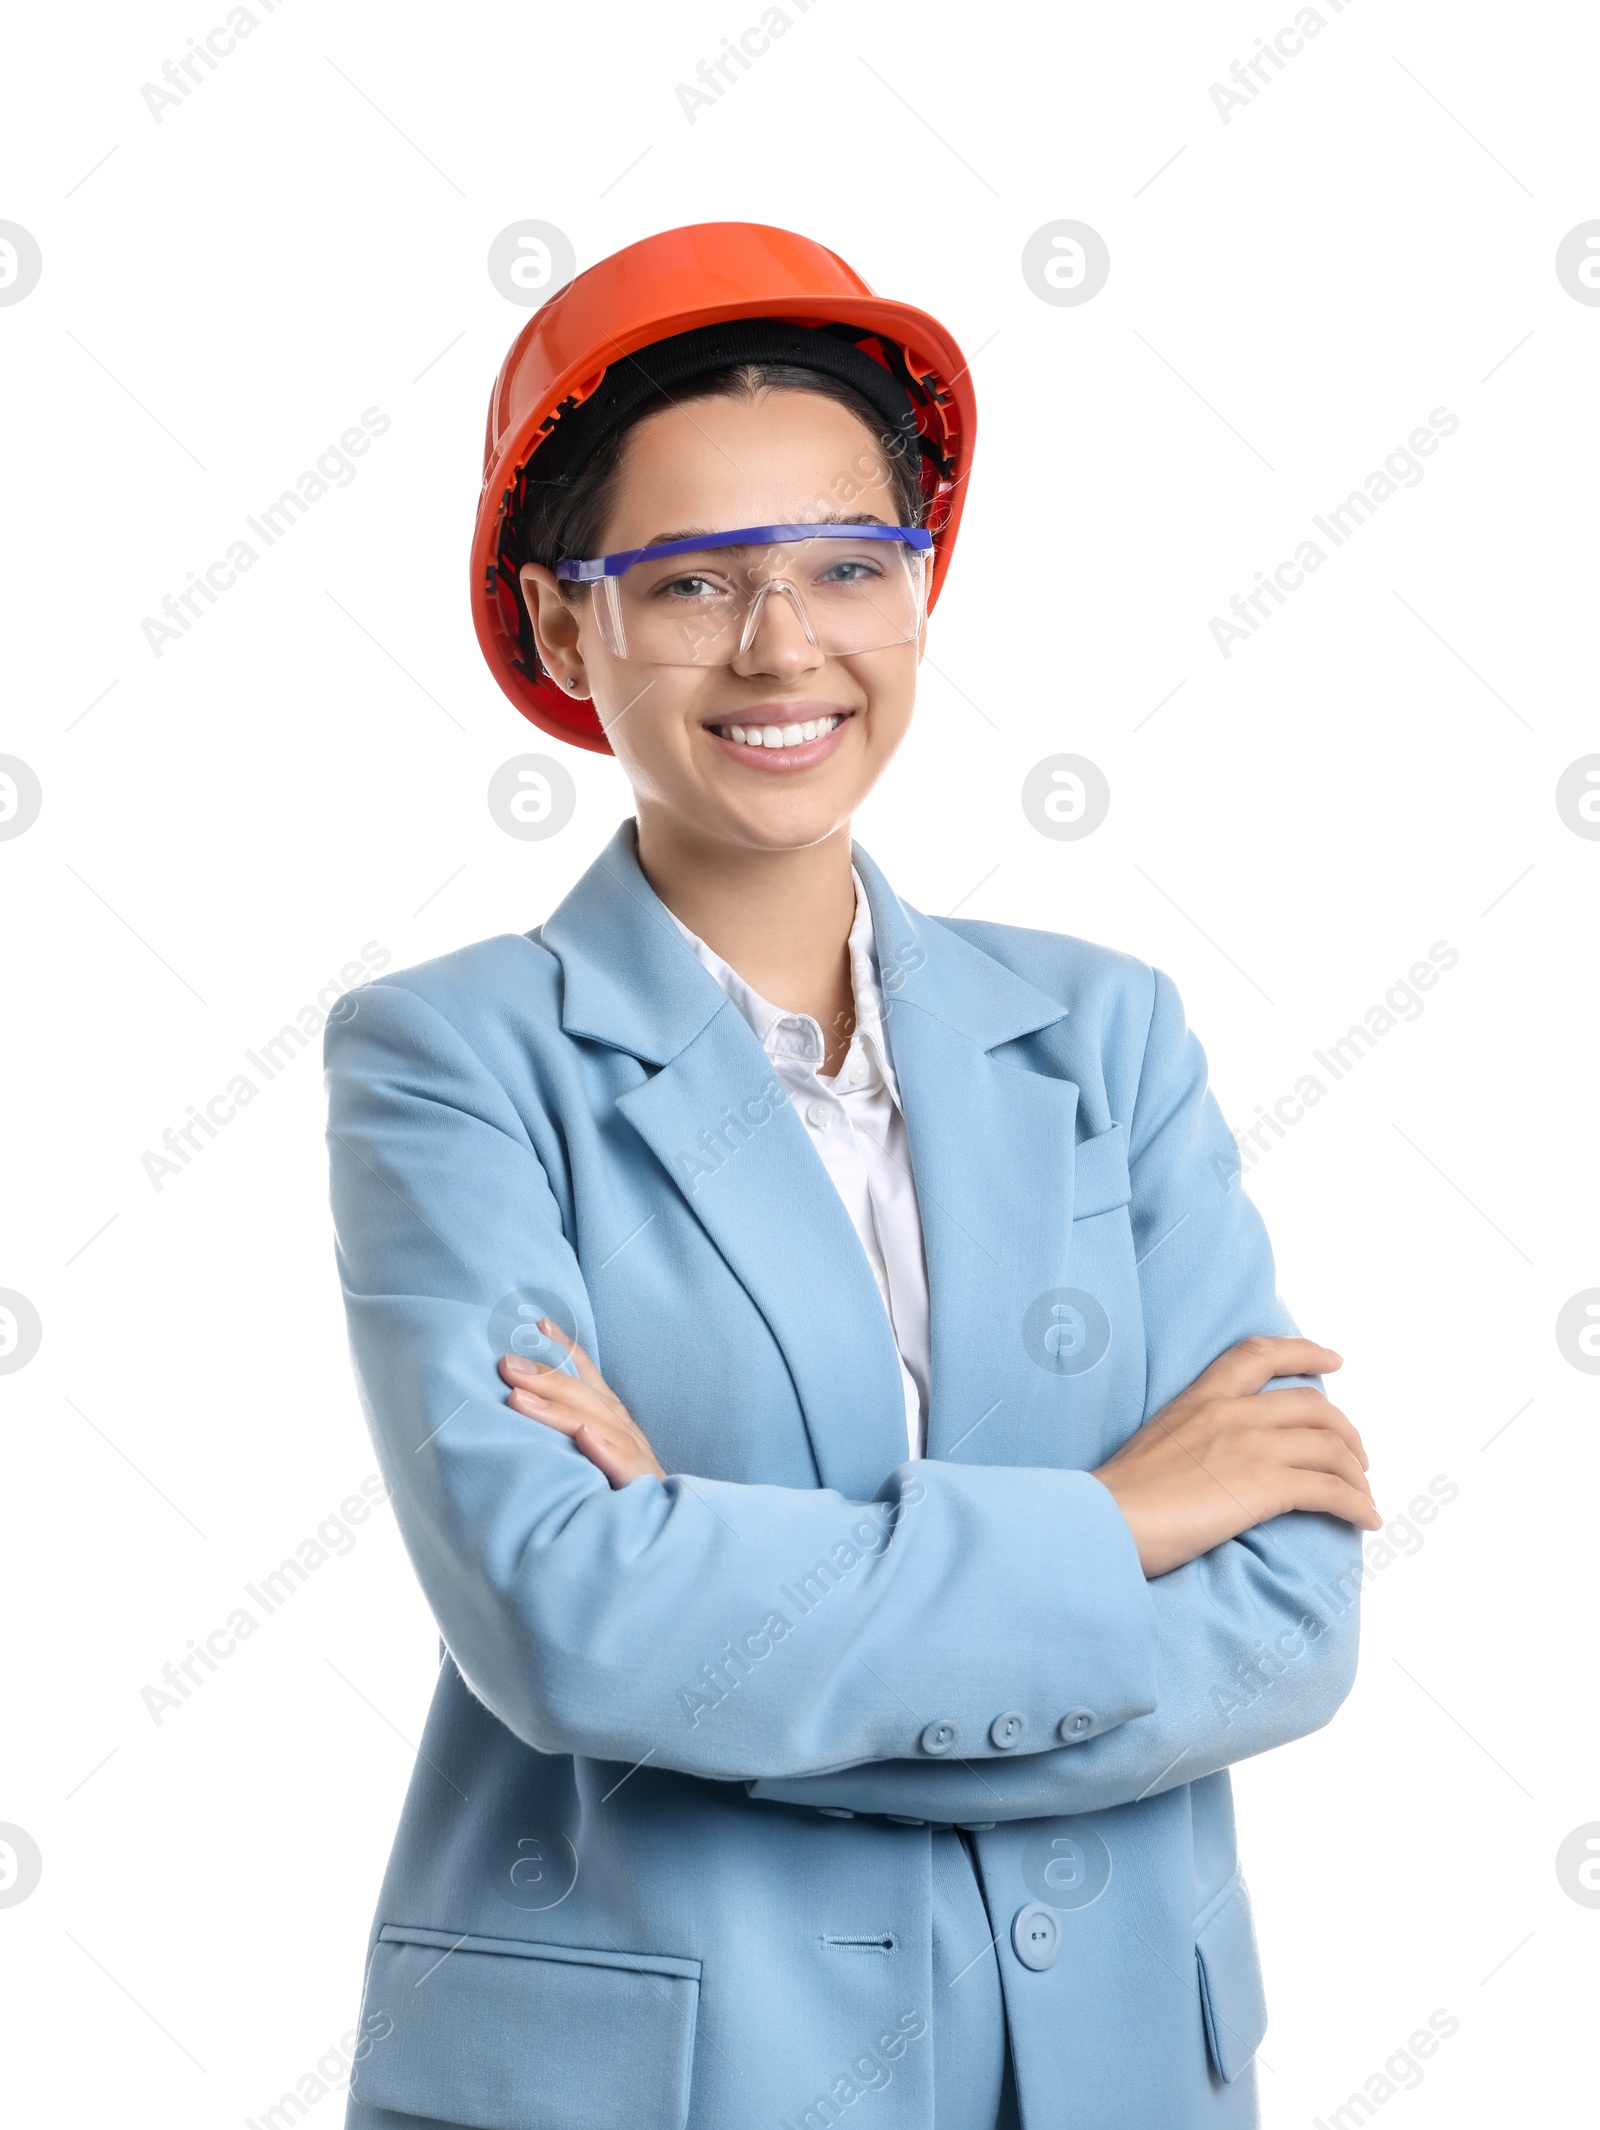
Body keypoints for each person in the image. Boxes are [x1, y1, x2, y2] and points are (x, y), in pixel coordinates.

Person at [324, 221, 1378, 2130]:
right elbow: (573, 1621)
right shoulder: (450, 1058)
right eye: (692, 579)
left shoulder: (1105, 1036)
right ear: (570, 629)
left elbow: (1288, 1622)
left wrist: (736, 1625)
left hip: (1123, 2066)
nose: (781, 643)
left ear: (919, 593)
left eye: (845, 566)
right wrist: (1120, 1518)